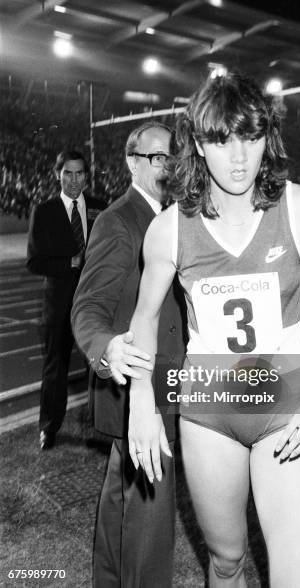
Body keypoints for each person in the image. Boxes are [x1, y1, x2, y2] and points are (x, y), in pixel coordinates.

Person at [127, 73, 300, 587]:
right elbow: (144, 319)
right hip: (209, 408)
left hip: (285, 402)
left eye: (251, 137)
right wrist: (141, 405)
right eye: (221, 140)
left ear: (269, 136)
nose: (239, 158)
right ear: (197, 143)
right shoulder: (169, 228)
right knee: (226, 562)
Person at [71, 122, 185, 588]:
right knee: (151, 513)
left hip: (166, 383)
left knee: (125, 494)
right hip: (141, 385)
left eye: (171, 157)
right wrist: (106, 349)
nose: (167, 166)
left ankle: (109, 580)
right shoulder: (119, 221)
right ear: (132, 162)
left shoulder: (174, 215)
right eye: (156, 157)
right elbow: (87, 307)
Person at [26, 149, 106, 450]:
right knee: (54, 367)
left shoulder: (101, 208)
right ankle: (49, 426)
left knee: (98, 366)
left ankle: (102, 427)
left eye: (79, 173)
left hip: (94, 303)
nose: (74, 180)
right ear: (57, 174)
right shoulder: (44, 211)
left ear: (87, 175)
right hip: (58, 304)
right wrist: (70, 263)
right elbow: (34, 262)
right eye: (67, 173)